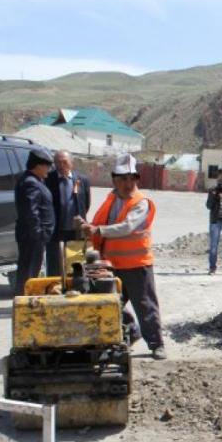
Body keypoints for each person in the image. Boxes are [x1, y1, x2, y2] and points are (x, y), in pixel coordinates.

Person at [82, 153, 167, 360]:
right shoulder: (110, 200)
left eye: (132, 179)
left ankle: (156, 344)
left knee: (145, 305)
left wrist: (98, 230)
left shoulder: (141, 202)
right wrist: (88, 230)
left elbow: (127, 227)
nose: (128, 184)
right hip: (111, 264)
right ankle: (131, 332)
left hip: (137, 265)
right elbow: (98, 223)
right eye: (123, 179)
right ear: (114, 180)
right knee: (111, 304)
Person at [14, 149, 55, 295]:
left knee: (31, 270)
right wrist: (38, 234)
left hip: (33, 236)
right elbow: (31, 213)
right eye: (47, 166)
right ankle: (24, 300)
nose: (48, 170)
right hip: (32, 237)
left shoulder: (34, 180)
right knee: (28, 273)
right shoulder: (30, 183)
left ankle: (26, 298)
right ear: (38, 166)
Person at [45, 150, 91, 276]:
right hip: (56, 232)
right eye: (57, 162)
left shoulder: (82, 180)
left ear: (72, 163)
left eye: (64, 162)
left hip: (75, 232)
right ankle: (55, 286)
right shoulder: (48, 179)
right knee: (54, 266)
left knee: (76, 267)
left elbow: (86, 204)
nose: (61, 165)